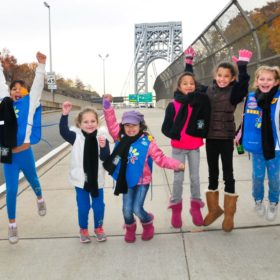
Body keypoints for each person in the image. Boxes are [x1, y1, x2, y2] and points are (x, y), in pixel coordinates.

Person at [184, 47, 252, 232]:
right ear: (215, 76)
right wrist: (188, 62)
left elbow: (243, 86)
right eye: (219, 75)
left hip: (226, 138)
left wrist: (242, 66)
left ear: (232, 78)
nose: (222, 79)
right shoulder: (208, 91)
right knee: (212, 173)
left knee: (228, 173)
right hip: (211, 138)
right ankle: (214, 209)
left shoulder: (234, 93)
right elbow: (190, 83)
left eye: (226, 76)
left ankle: (229, 213)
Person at [102, 94, 185, 243]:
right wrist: (107, 106)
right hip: (126, 181)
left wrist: (176, 165)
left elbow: (161, 158)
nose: (130, 128)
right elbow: (111, 123)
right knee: (127, 210)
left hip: (142, 181)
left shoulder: (148, 143)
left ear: (140, 125)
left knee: (137, 209)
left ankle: (148, 224)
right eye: (127, 125)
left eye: (134, 125)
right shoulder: (120, 137)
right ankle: (130, 228)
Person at [0, 51, 47, 244]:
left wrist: (41, 66)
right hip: (8, 154)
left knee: (33, 180)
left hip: (25, 153)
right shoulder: (5, 103)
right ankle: (12, 225)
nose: (16, 91)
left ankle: (40, 197)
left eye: (20, 89)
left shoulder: (30, 103)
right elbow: (0, 86)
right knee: (11, 190)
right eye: (13, 89)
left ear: (26, 93)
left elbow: (37, 86)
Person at [161, 49, 210, 228]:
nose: (188, 86)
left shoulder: (200, 101)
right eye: (185, 83)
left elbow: (202, 122)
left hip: (194, 146)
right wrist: (177, 134)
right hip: (178, 148)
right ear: (179, 87)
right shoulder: (173, 105)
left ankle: (195, 207)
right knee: (178, 180)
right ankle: (176, 208)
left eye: (191, 83)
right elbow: (165, 127)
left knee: (195, 178)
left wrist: (197, 131)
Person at [59, 101, 110, 243]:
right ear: (79, 124)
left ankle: (99, 228)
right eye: (85, 121)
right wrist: (64, 114)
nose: (89, 124)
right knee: (83, 207)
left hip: (97, 180)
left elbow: (106, 158)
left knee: (99, 206)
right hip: (80, 181)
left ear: (97, 122)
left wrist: (104, 146)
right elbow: (63, 131)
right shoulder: (76, 137)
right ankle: (83, 229)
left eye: (93, 121)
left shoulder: (102, 137)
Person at [239, 65, 280, 221]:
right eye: (261, 79)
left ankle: (273, 201)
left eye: (269, 79)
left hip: (275, 146)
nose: (265, 82)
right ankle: (258, 199)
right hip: (257, 145)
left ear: (276, 82)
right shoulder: (251, 97)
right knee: (257, 175)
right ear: (256, 81)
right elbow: (246, 119)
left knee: (275, 177)